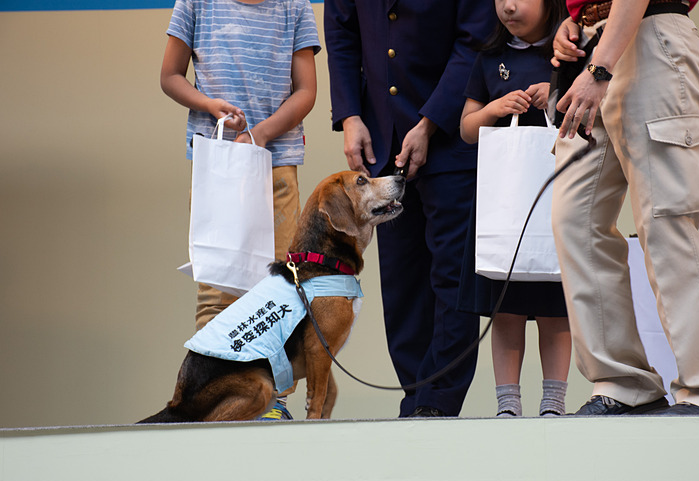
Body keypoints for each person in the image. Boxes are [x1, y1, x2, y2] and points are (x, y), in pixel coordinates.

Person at [550, 0, 699, 415]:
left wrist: (600, 67)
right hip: (594, 43)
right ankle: (624, 383)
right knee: (574, 223)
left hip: (649, 35)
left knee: (665, 221)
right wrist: (574, 22)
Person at [324, 0, 496, 417]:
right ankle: (414, 397)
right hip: (381, 138)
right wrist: (349, 116)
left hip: (451, 137)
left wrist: (429, 122)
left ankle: (438, 401)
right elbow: (342, 36)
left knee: (451, 276)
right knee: (402, 282)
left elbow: (474, 40)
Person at [160, 0, 320, 420]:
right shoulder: (196, 4)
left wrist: (262, 133)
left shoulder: (295, 7)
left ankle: (275, 401)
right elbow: (170, 76)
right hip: (220, 162)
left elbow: (306, 91)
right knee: (217, 283)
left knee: (282, 287)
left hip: (277, 161)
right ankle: (204, 397)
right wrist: (209, 105)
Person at [458, 0, 572, 417]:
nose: (508, 5)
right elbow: (467, 129)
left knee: (554, 308)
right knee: (504, 307)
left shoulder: (569, 53)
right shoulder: (490, 58)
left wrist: (556, 97)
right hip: (503, 204)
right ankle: (508, 405)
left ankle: (554, 403)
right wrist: (493, 109)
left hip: (554, 198)